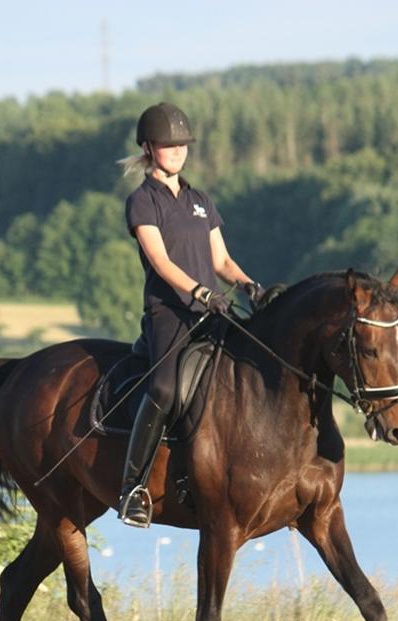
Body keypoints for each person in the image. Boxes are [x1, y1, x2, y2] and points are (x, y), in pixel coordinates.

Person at [116, 102, 262, 529]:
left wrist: (251, 286)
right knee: (164, 388)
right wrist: (198, 291)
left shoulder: (200, 201)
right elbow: (160, 262)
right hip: (170, 313)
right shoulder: (142, 202)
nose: (177, 151)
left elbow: (222, 260)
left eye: (182, 144)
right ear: (148, 147)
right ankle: (133, 487)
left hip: (211, 310)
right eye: (167, 144)